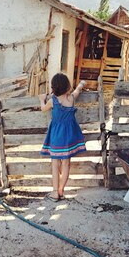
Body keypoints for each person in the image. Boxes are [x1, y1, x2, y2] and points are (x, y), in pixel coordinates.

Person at [39, 73, 87, 201]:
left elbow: (43, 109)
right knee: (66, 163)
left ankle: (55, 192)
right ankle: (61, 190)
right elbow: (77, 90)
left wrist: (41, 99)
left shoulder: (52, 101)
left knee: (55, 164)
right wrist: (81, 84)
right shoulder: (71, 98)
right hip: (70, 136)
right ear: (67, 86)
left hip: (57, 135)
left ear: (54, 87)